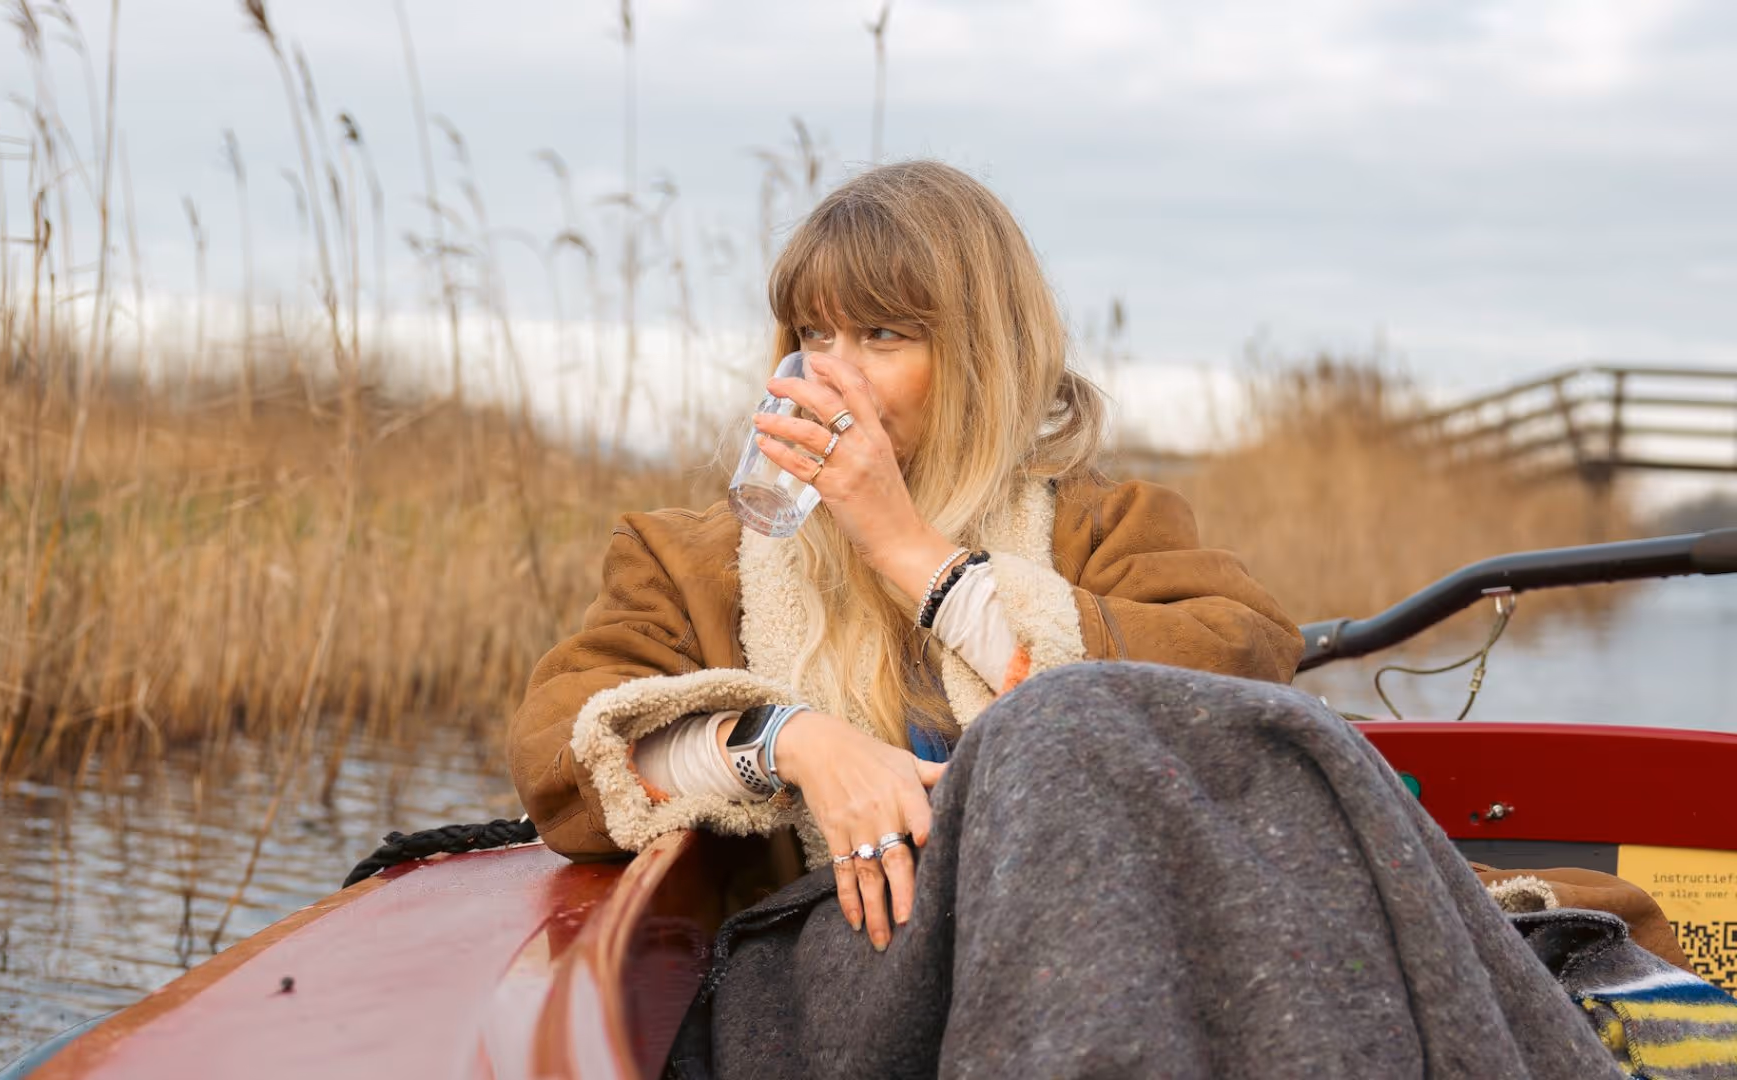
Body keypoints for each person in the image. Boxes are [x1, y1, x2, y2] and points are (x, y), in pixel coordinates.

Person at [507, 162, 1640, 1077]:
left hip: (1137, 937)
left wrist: (910, 551)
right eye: (816, 334)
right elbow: (568, 748)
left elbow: (1246, 665)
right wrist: (795, 741)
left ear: (980, 353)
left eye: (883, 337)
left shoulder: (1107, 524)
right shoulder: (690, 557)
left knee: (1085, 731)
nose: (832, 375)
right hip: (869, 966)